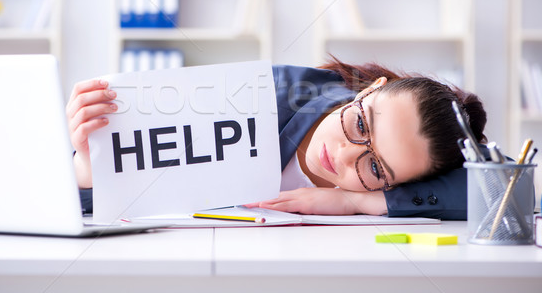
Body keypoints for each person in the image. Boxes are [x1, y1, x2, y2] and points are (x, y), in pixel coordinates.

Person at [67, 57, 487, 220]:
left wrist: (357, 200)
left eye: (375, 167)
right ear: (369, 90)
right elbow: (84, 206)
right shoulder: (267, 91)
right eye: (361, 125)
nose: (342, 156)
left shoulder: (370, 189)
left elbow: (502, 189)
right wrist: (90, 168)